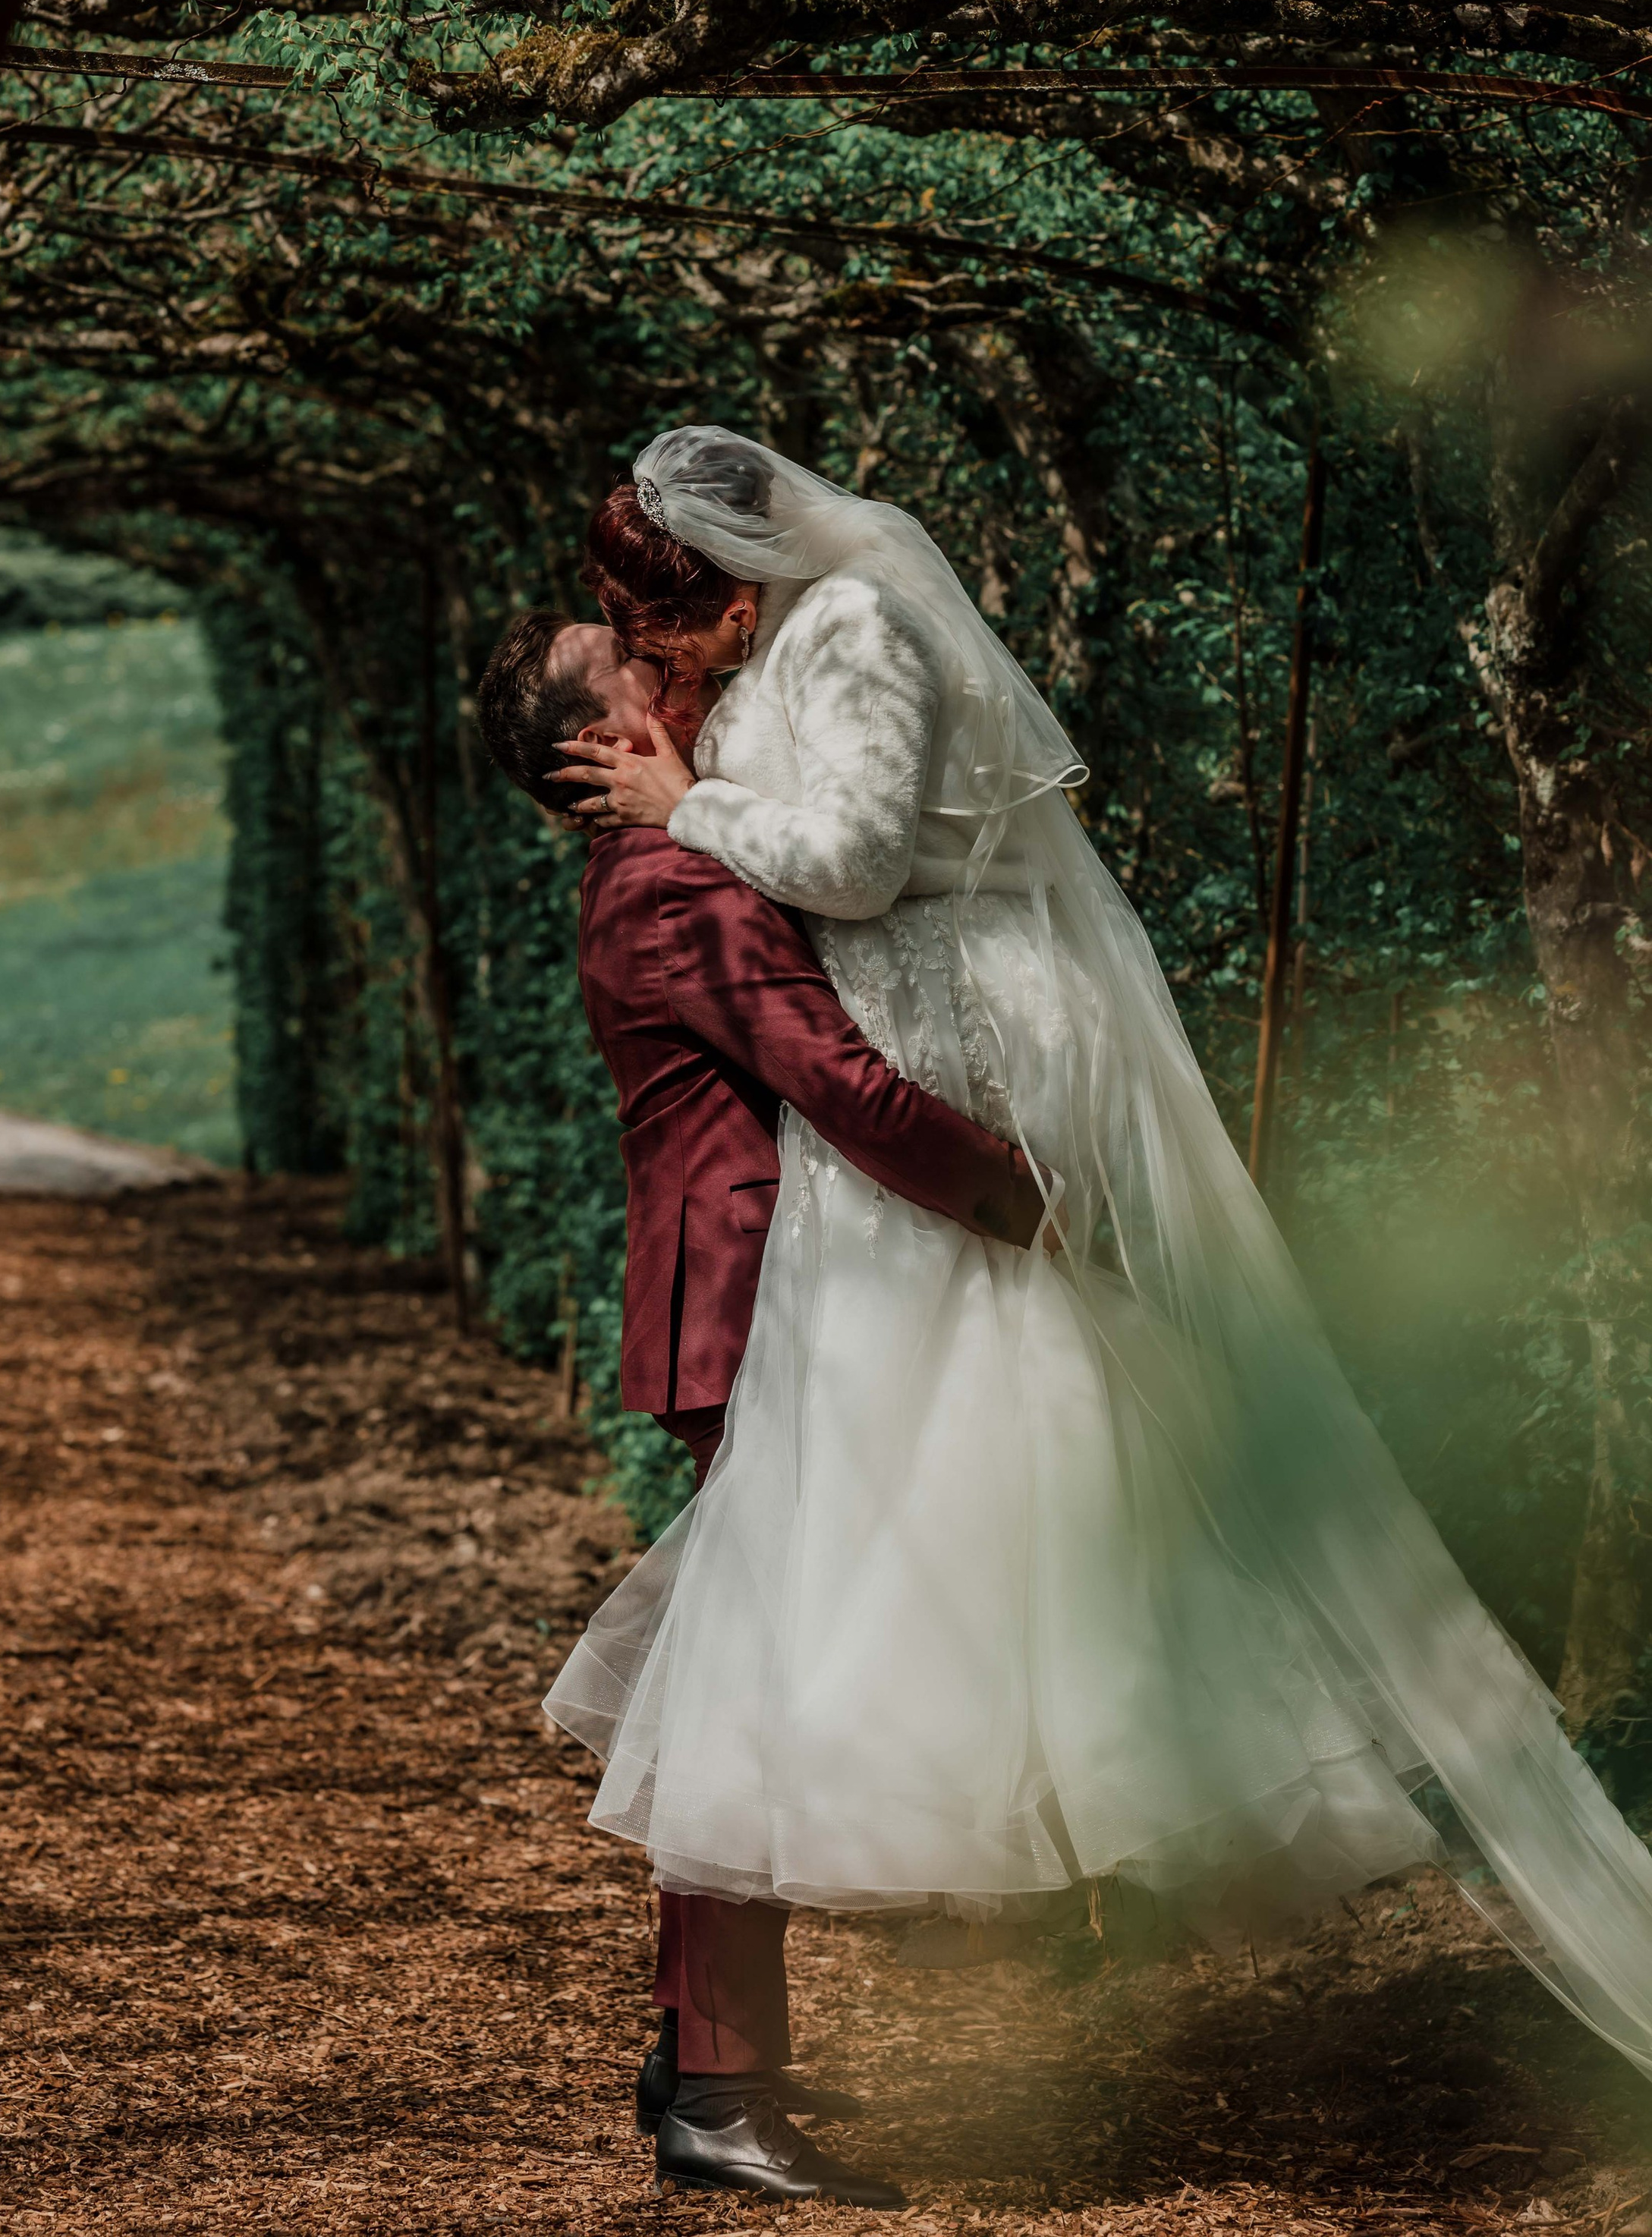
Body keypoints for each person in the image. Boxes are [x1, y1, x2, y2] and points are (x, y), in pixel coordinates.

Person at [540, 425, 1652, 2108]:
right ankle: (722, 2056)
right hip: (878, 1166)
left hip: (921, 1117)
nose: (659, 659)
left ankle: (732, 2052)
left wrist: (691, 797)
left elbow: (842, 864)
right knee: (848, 1564)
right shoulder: (761, 687)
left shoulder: (847, 629)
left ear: (727, 578)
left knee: (936, 1520)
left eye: (663, 624)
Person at [478, 607, 1055, 2207]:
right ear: (599, 747)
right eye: (640, 670)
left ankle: (700, 2052)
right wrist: (1035, 1205)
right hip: (749, 1308)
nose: (690, 675)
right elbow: (842, 1087)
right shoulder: (674, 884)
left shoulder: (665, 865)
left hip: (732, 1301)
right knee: (754, 1692)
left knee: (746, 1669)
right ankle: (720, 2090)